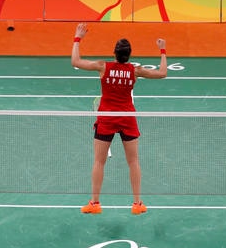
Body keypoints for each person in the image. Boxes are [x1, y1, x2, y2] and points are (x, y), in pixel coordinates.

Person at [71, 22, 167, 215]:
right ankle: (138, 204)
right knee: (133, 161)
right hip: (127, 118)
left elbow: (76, 61)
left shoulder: (102, 67)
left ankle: (95, 203)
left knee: (99, 162)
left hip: (106, 118)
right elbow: (162, 73)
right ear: (128, 55)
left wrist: (77, 38)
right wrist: (162, 49)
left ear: (114, 54)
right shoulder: (135, 70)